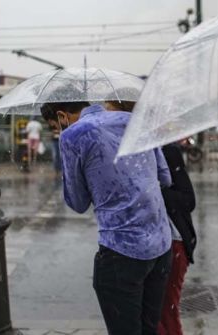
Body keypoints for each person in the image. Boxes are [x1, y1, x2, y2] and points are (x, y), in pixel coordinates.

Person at [40, 93, 172, 335]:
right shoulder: (135, 121)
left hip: (121, 250)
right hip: (161, 246)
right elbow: (165, 177)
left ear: (61, 116)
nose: (57, 131)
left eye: (54, 126)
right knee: (149, 329)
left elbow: (78, 203)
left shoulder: (73, 135)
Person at [104, 100, 197, 335]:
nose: (106, 116)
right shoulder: (119, 152)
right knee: (142, 317)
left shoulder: (166, 149)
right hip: (135, 244)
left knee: (163, 315)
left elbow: (187, 200)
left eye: (110, 110)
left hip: (171, 241)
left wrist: (153, 189)